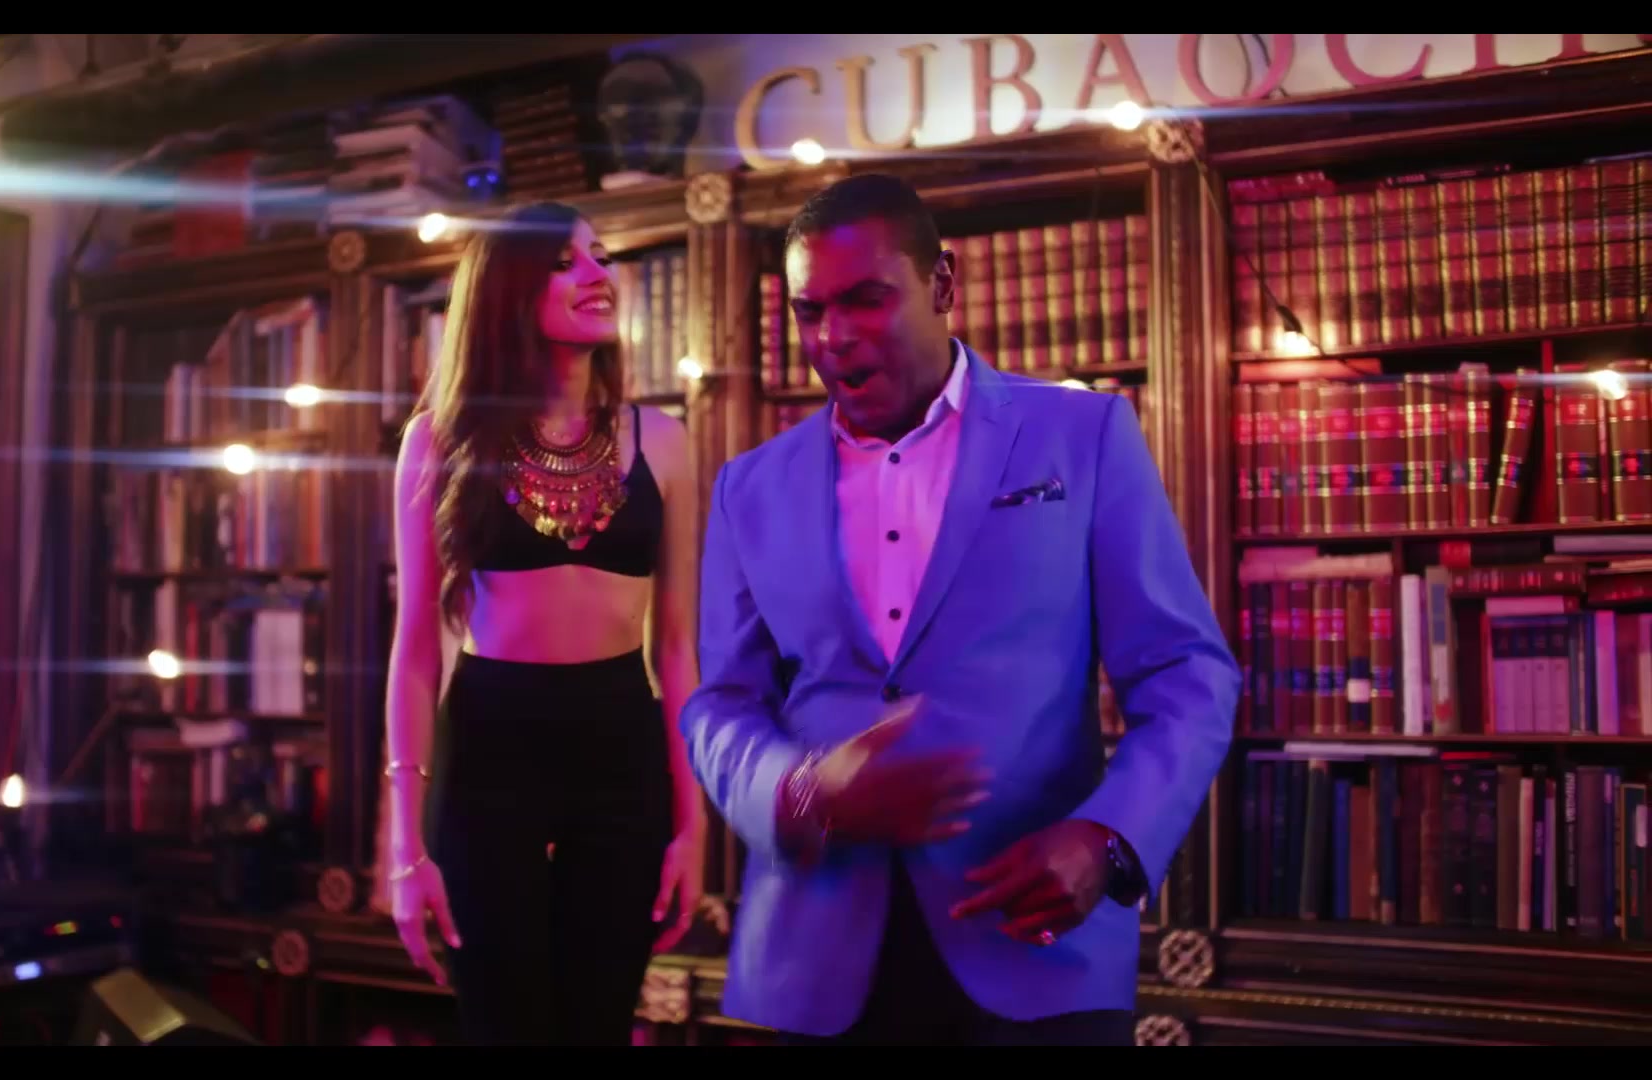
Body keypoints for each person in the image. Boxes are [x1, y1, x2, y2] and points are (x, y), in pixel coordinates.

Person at [679, 174, 1239, 1046]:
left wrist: (1108, 838)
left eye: (866, 299)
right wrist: (794, 793)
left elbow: (1185, 672)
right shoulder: (746, 487)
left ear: (943, 283)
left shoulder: (1083, 436)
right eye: (809, 311)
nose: (833, 337)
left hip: (1036, 946)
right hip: (814, 963)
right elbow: (722, 703)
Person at [383, 201, 708, 1045]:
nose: (598, 275)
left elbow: (677, 647)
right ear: (507, 292)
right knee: (505, 1026)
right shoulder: (438, 440)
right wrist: (403, 846)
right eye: (566, 262)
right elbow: (414, 651)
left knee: (599, 1025)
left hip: (620, 746)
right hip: (487, 750)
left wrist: (693, 822)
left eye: (600, 256)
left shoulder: (663, 440)